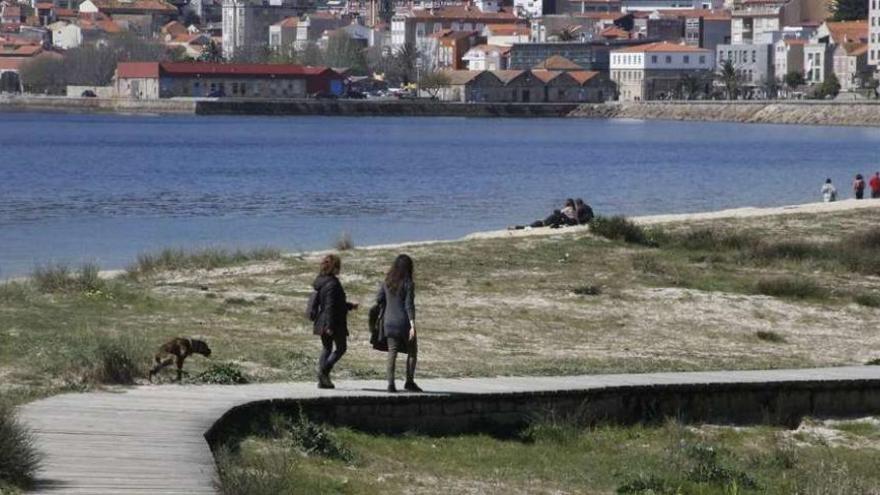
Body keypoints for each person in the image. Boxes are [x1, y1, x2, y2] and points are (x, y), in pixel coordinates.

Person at [376, 254, 420, 393]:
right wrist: (413, 325)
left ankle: (390, 384)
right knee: (412, 351)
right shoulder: (408, 283)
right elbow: (409, 305)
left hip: (388, 322)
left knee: (392, 352)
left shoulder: (387, 282)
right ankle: (409, 381)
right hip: (403, 323)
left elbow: (378, 299)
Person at [313, 254, 358, 389]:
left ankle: (323, 380)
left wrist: (349, 306)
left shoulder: (320, 281)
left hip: (322, 320)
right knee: (341, 348)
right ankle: (324, 372)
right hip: (333, 322)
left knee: (326, 349)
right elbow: (331, 306)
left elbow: (334, 303)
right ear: (334, 268)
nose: (340, 269)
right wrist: (330, 326)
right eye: (338, 267)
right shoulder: (333, 283)